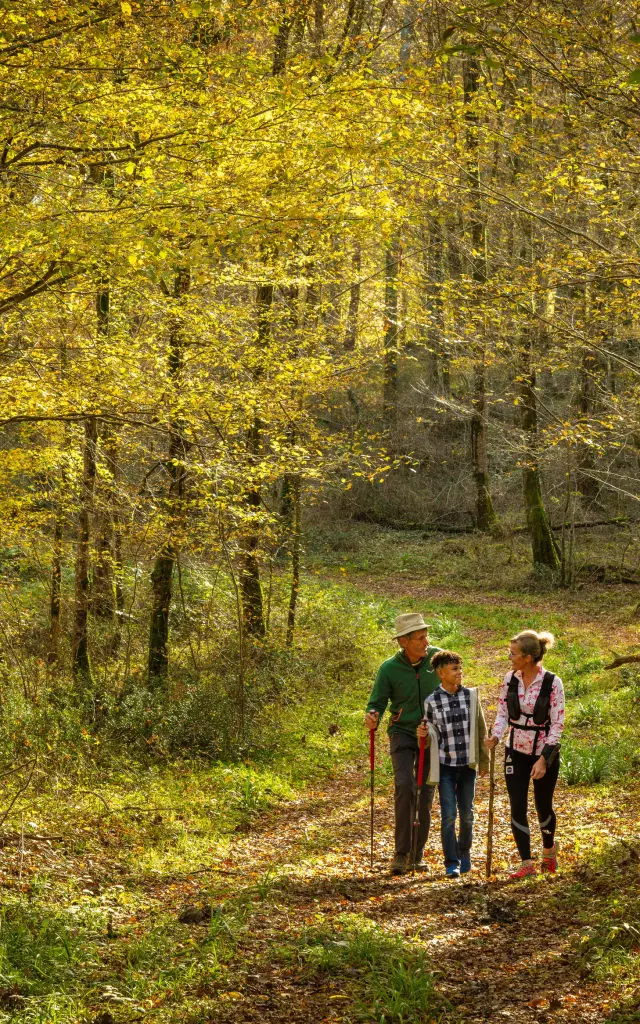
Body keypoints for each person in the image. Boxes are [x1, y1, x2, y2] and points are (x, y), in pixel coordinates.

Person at [364, 612, 441, 875]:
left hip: (432, 735)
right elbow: (377, 702)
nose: (425, 642)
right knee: (405, 786)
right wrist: (372, 715)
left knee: (425, 793)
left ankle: (417, 855)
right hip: (402, 734)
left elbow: (455, 683)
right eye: (419, 638)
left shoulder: (437, 659)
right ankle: (400, 853)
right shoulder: (388, 668)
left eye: (425, 636)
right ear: (403, 642)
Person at [484, 629, 565, 879]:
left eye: (513, 653)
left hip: (543, 751)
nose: (510, 657)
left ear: (528, 657)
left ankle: (549, 851)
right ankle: (526, 862)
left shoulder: (553, 682)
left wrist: (543, 759)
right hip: (515, 750)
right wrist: (496, 736)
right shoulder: (510, 678)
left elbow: (557, 724)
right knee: (517, 804)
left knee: (542, 805)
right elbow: (502, 713)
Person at [419, 650, 488, 878]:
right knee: (449, 814)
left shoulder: (471, 696)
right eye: (454, 669)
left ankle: (464, 852)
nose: (460, 673)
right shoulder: (432, 701)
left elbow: (480, 729)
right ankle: (452, 862)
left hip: (467, 766)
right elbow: (430, 733)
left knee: (467, 813)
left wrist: (484, 760)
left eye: (460, 668)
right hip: (446, 766)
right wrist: (423, 733)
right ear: (441, 673)